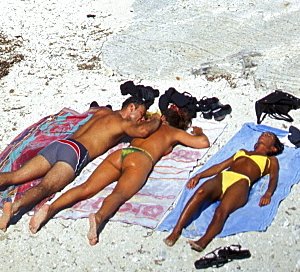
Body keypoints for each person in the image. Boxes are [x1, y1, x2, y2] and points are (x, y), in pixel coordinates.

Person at [0, 99, 161, 230]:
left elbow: (93, 109)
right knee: (45, 187)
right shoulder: (123, 123)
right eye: (140, 114)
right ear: (130, 107)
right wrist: (157, 120)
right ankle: (13, 208)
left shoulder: (102, 113)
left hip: (61, 143)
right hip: (77, 152)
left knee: (16, 176)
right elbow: (142, 132)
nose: (139, 120)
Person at [29, 104, 209, 242]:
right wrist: (199, 131)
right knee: (119, 194)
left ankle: (50, 208)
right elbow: (202, 143)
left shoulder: (147, 123)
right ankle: (98, 218)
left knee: (86, 187)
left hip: (121, 154)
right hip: (141, 160)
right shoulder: (174, 132)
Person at [163, 130, 283, 252]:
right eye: (264, 133)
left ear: (273, 149)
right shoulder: (242, 152)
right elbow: (219, 167)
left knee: (221, 210)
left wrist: (268, 193)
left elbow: (274, 177)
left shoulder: (271, 160)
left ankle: (203, 240)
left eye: (270, 136)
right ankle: (176, 230)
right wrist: (199, 176)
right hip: (224, 176)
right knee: (200, 192)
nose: (265, 135)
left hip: (241, 183)